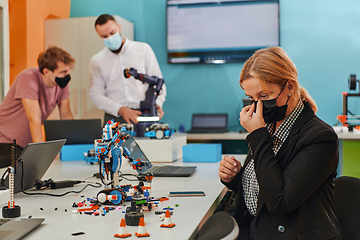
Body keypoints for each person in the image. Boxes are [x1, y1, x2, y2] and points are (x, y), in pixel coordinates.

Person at [218, 47, 342, 240]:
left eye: (264, 96)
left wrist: (257, 135)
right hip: (256, 229)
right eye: (252, 98)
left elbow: (279, 201)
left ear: (290, 87)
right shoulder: (268, 125)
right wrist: (235, 177)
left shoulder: (321, 137)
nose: (258, 106)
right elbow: (265, 183)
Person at [0, 46, 75, 168]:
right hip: (4, 140)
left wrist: (73, 145)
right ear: (46, 72)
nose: (67, 76)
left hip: (23, 144)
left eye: (67, 71)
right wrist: (41, 155)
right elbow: (34, 119)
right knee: (25, 169)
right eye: (63, 72)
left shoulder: (60, 83)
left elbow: (66, 115)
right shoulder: (28, 78)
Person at [89, 14, 166, 125]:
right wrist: (121, 109)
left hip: (144, 113)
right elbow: (96, 95)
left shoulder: (143, 49)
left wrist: (157, 103)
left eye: (112, 33)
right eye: (104, 36)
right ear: (98, 35)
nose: (110, 38)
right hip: (115, 117)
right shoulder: (96, 61)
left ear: (119, 28)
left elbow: (159, 82)